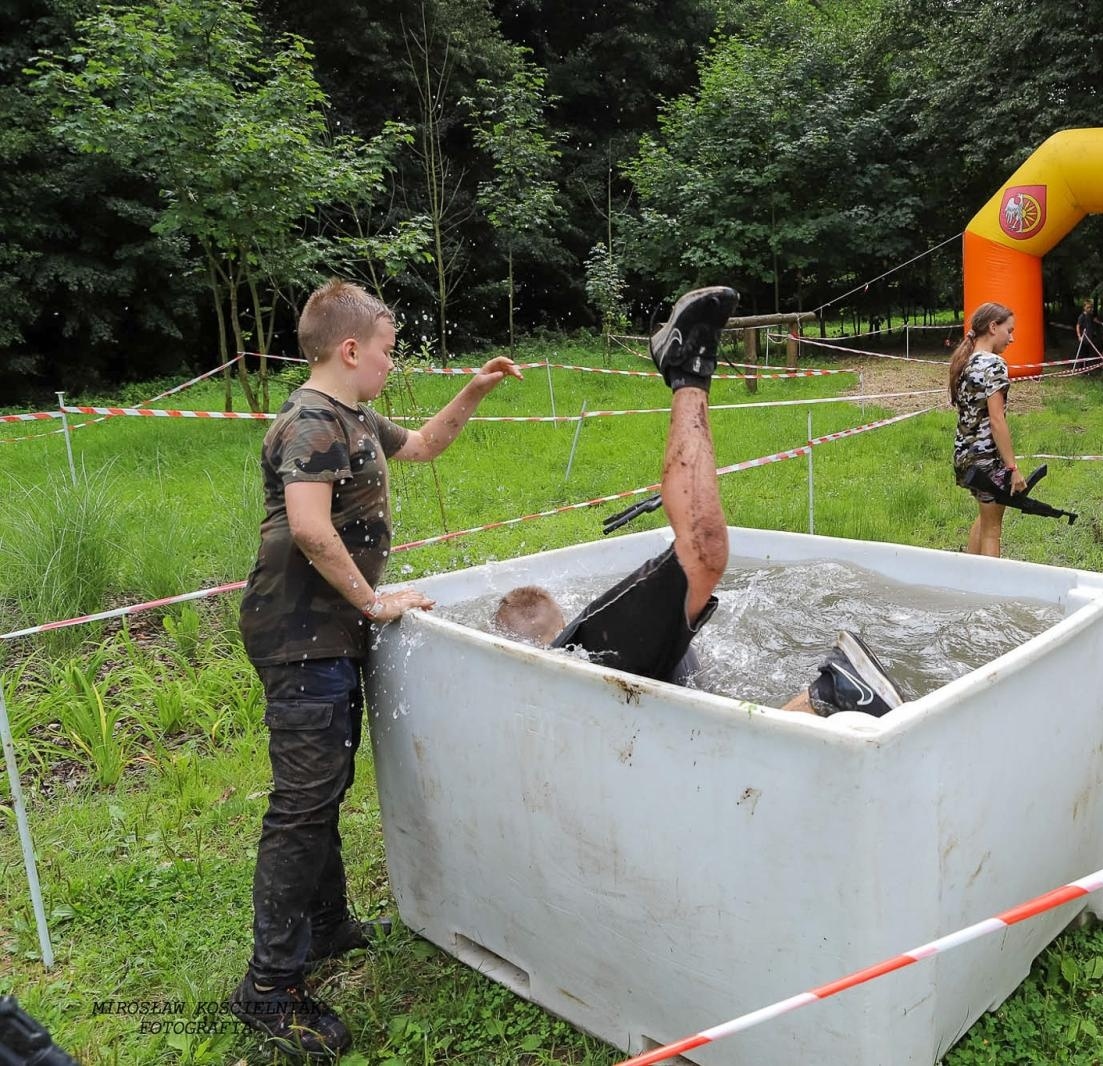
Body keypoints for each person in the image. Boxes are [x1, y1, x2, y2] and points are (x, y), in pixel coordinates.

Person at [229, 279, 523, 1057]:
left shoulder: (352, 417)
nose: (393, 365)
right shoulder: (314, 423)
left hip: (325, 637)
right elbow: (310, 531)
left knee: (324, 787)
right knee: (301, 804)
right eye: (389, 353)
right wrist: (375, 601)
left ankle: (326, 928)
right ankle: (269, 987)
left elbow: (423, 445)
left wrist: (473, 391)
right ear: (351, 349)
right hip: (300, 637)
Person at [492, 286, 904, 719]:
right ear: (560, 618)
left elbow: (703, 548)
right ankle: (827, 696)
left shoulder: (586, 647)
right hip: (680, 737)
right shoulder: (602, 647)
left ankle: (685, 369)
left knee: (702, 552)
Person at [950, 301, 1028, 557]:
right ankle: (989, 596)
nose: (1012, 338)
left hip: (964, 457)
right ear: (993, 327)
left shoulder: (965, 362)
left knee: (984, 520)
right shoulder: (994, 364)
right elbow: (997, 420)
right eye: (1009, 330)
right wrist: (1012, 468)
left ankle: (967, 582)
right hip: (987, 461)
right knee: (993, 530)